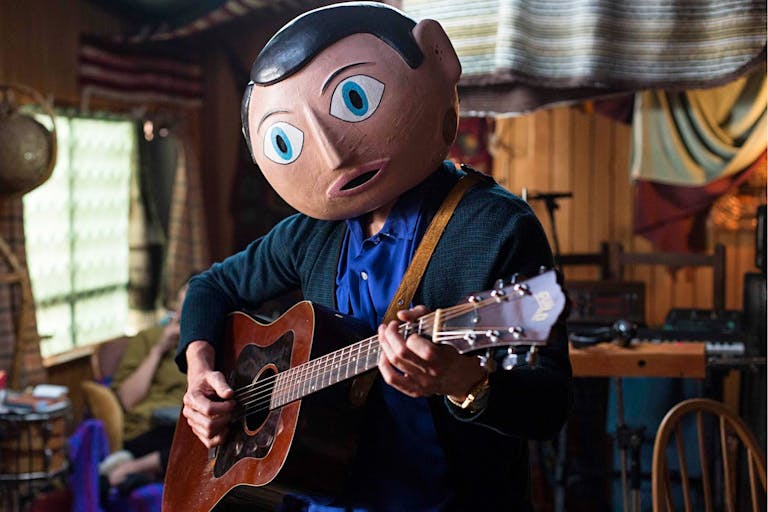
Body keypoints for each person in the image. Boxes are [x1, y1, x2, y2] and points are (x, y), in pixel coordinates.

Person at [176, 2, 572, 510]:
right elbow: (210, 287)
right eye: (286, 138)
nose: (334, 153)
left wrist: (464, 381)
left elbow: (549, 406)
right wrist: (200, 371)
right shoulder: (311, 233)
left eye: (355, 98)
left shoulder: (495, 228)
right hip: (322, 494)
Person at [101, 281, 189, 489]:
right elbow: (128, 400)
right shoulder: (148, 339)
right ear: (175, 308)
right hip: (147, 426)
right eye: (184, 306)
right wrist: (160, 349)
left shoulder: (211, 346)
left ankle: (135, 467)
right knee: (191, 442)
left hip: (181, 423)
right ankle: (130, 468)